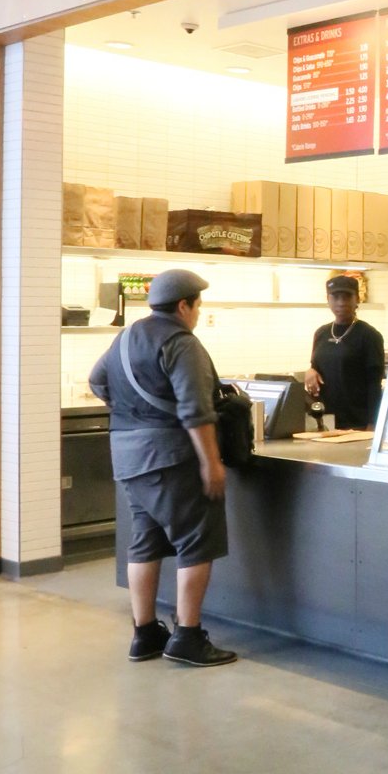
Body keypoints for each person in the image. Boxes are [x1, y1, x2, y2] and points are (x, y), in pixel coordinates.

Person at [88, 269, 237, 668]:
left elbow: (97, 381)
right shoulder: (182, 343)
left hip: (127, 458)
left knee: (145, 540)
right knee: (196, 540)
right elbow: (195, 410)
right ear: (184, 305)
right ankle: (187, 636)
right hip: (172, 458)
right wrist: (211, 463)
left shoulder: (127, 336)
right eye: (197, 306)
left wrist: (135, 414)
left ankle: (145, 632)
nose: (199, 313)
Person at [304, 275, 385, 430]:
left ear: (357, 300)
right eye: (335, 297)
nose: (341, 303)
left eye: (347, 297)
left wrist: (373, 424)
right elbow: (316, 365)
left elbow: (374, 384)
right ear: (328, 299)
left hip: (357, 422)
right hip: (324, 421)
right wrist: (310, 370)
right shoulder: (321, 333)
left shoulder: (369, 335)